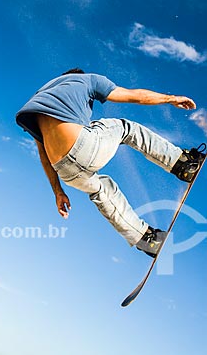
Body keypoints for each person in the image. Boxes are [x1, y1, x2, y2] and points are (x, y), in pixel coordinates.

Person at [16, 68, 206, 257]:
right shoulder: (87, 80)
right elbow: (135, 96)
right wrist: (171, 98)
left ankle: (146, 239)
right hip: (84, 146)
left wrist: (57, 191)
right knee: (126, 128)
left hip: (65, 171)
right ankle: (183, 164)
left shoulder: (37, 102)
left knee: (100, 189)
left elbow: (43, 153)